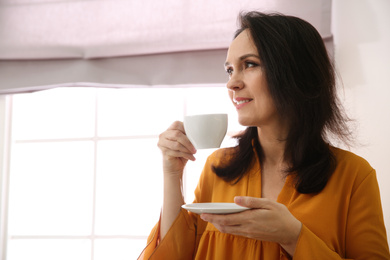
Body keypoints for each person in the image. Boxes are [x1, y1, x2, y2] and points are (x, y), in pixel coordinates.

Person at [138, 11, 390, 259]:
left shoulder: (354, 176)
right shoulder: (218, 168)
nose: (231, 83)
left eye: (249, 64)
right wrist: (172, 174)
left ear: (295, 73)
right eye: (229, 70)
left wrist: (293, 237)